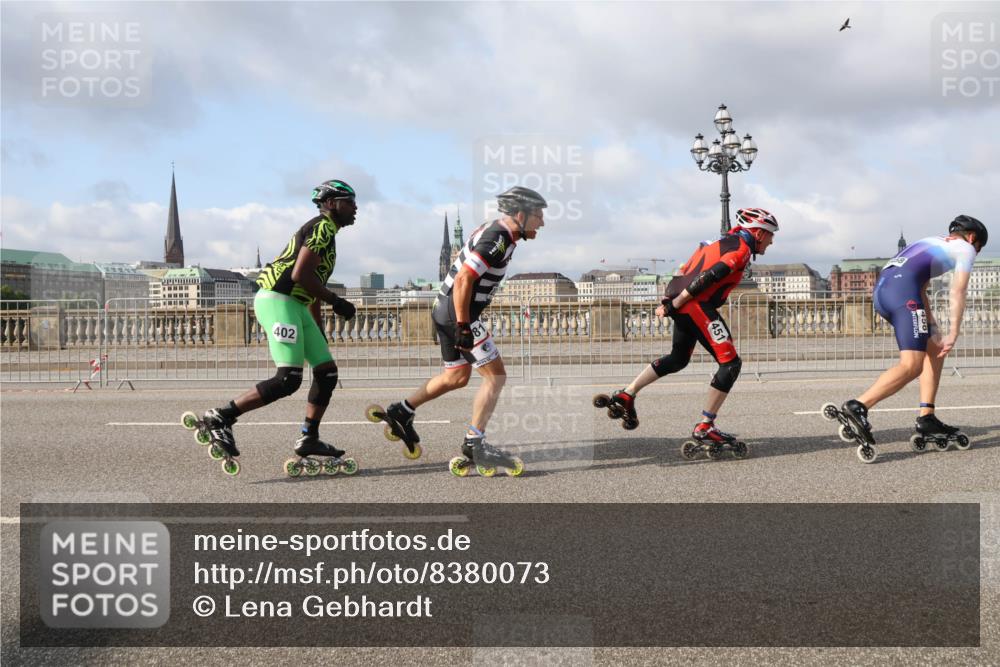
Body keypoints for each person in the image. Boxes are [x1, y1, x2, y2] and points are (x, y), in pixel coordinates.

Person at [375, 186, 547, 476]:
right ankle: (474, 442)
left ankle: (401, 411)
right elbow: (466, 277)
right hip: (458, 313)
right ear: (521, 215)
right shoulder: (499, 237)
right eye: (538, 215)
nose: (542, 222)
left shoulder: (500, 232)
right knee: (496, 376)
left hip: (445, 308)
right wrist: (464, 325)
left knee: (455, 377)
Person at [193, 179, 360, 476]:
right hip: (278, 300)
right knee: (288, 379)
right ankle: (221, 416)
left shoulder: (328, 233)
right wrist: (337, 302)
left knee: (326, 372)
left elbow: (311, 285)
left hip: (296, 305)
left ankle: (309, 437)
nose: (355, 207)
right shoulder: (322, 227)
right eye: (349, 202)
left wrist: (318, 330)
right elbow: (300, 275)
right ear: (331, 204)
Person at [596, 208, 779, 449]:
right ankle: (706, 426)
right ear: (758, 233)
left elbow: (683, 272)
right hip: (696, 305)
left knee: (678, 359)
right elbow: (708, 277)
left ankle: (627, 393)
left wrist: (669, 301)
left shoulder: (713, 243)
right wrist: (675, 304)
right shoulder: (742, 250)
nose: (771, 242)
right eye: (770, 235)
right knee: (731, 364)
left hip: (683, 303)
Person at [838, 215, 988, 448]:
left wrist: (934, 328)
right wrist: (954, 332)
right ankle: (859, 405)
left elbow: (920, 287)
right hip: (902, 294)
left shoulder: (930, 242)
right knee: (912, 365)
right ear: (971, 238)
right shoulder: (965, 248)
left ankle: (927, 417)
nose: (975, 253)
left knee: (935, 349)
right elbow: (958, 291)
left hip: (885, 292)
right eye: (978, 248)